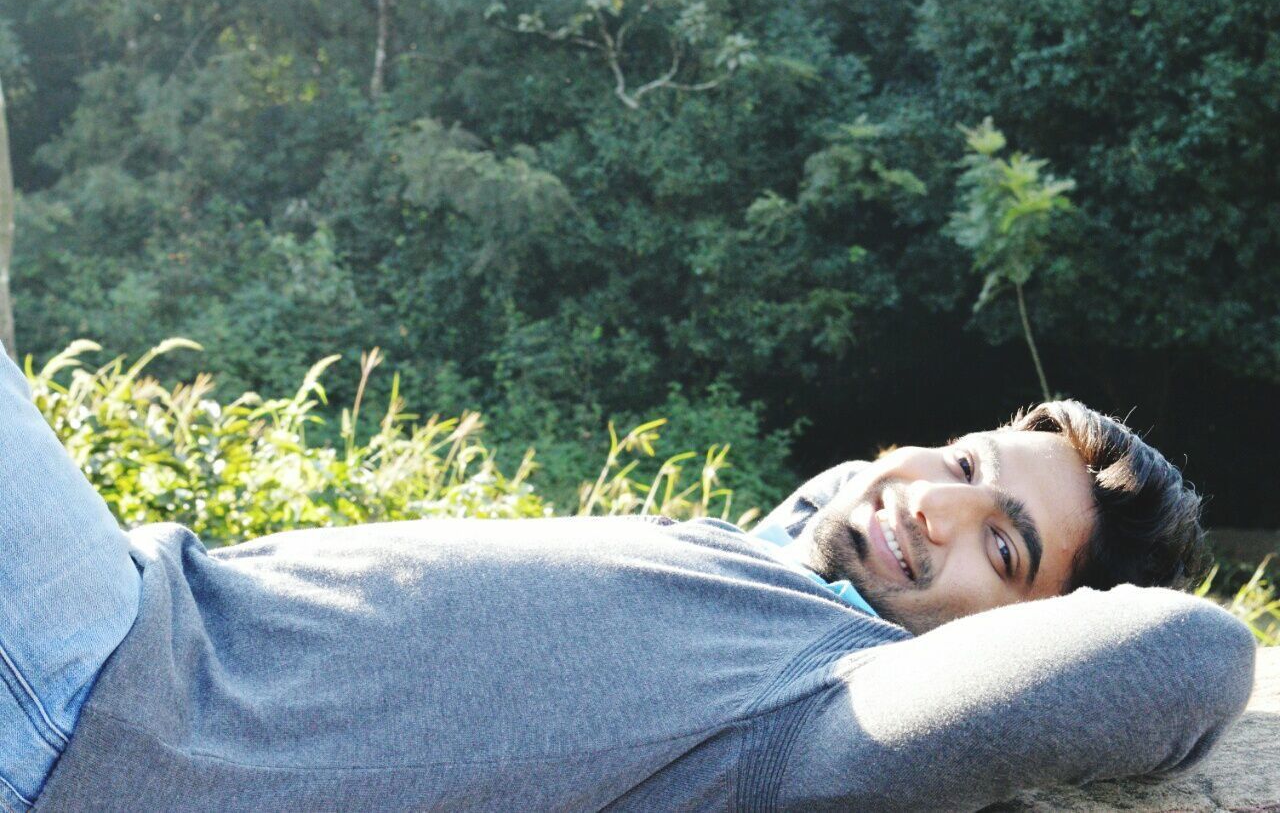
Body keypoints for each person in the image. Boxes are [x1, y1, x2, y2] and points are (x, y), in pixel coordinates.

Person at [0, 347, 1254, 812]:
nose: (934, 500)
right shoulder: (755, 563)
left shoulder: (826, 716)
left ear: (1021, 642)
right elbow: (835, 495)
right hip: (120, 606)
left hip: (103, 700)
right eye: (970, 460)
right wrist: (897, 506)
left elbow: (1192, 656)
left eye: (1003, 544)